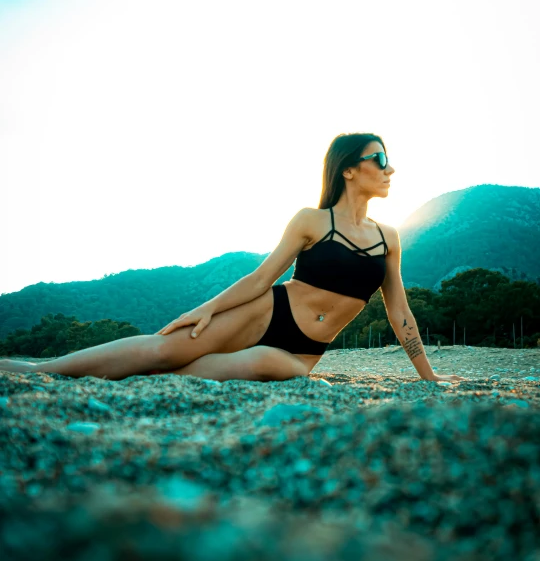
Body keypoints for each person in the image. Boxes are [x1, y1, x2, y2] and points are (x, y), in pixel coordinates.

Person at [0, 132, 464, 384]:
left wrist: (429, 376)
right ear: (348, 169)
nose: (390, 168)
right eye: (379, 158)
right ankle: (35, 370)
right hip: (268, 311)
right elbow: (262, 278)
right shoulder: (310, 220)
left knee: (268, 368)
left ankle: (110, 370)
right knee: (163, 350)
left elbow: (398, 309)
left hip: (304, 350)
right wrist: (207, 308)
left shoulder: (389, 237)